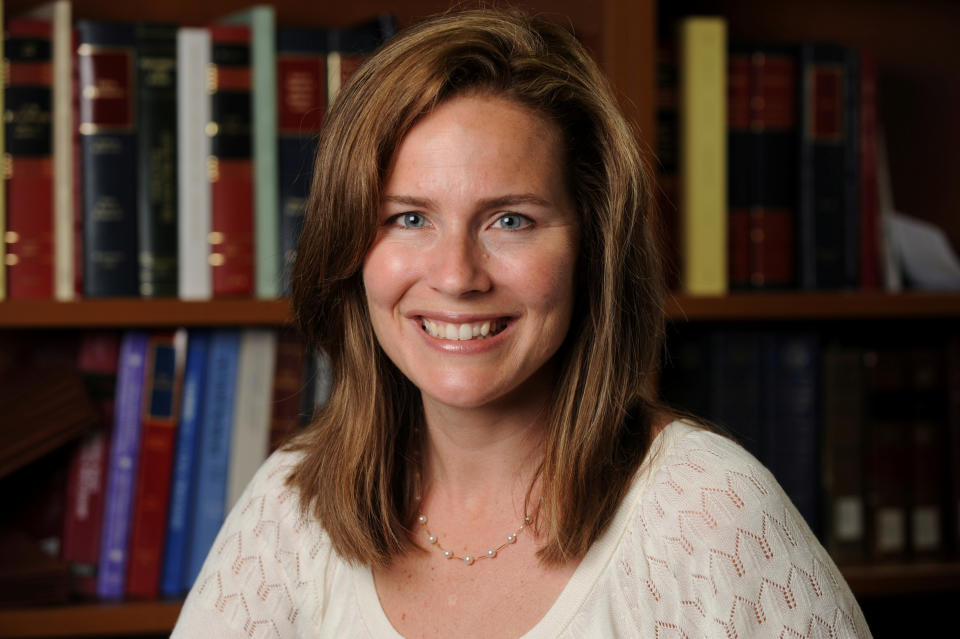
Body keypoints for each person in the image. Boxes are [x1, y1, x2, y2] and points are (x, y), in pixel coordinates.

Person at [172, 8, 870, 638]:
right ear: (351, 246)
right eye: (409, 217)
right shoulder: (290, 507)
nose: (456, 275)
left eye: (511, 219)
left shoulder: (711, 517)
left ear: (591, 246)